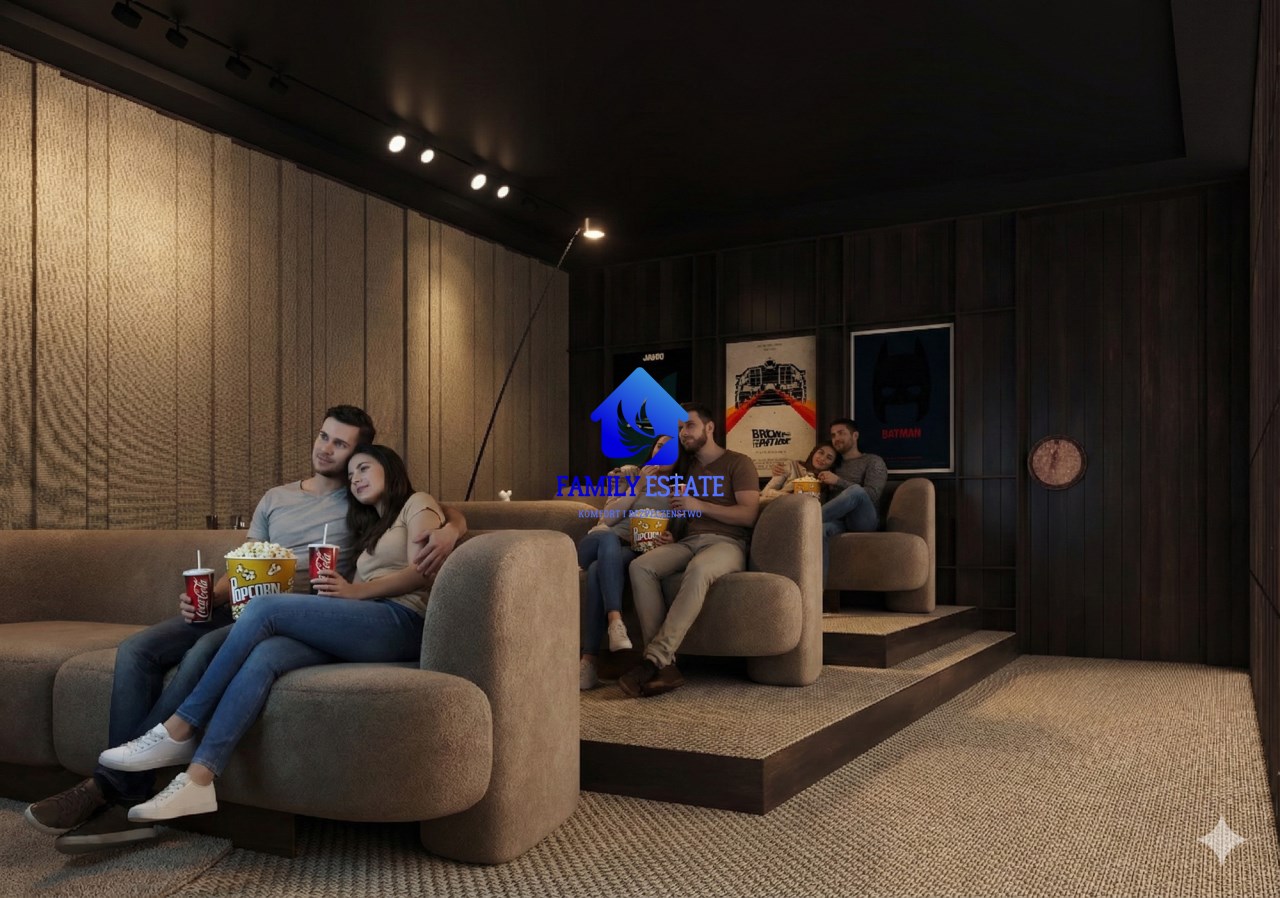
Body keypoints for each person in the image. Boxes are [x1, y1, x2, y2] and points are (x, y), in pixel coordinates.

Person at [26, 409, 464, 853]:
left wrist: (454, 527)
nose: (327, 450)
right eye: (324, 437)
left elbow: (419, 504)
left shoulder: (360, 503)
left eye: (343, 446)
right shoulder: (278, 497)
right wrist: (210, 599)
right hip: (242, 602)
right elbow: (246, 557)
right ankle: (152, 772)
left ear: (364, 453)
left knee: (207, 650)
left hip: (297, 612)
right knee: (138, 649)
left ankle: (114, 786)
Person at [93, 444, 451, 823]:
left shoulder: (418, 503)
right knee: (267, 654)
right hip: (364, 624)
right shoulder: (374, 523)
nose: (355, 479)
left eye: (363, 468)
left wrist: (356, 591)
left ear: (390, 468)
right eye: (351, 476)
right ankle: (199, 780)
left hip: (402, 622)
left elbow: (422, 570)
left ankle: (180, 727)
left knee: (264, 608)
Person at [620, 403, 759, 697]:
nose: (684, 433)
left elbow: (748, 515)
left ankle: (654, 658)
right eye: (680, 428)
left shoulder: (739, 463)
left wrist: (700, 505)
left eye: (690, 426)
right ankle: (667, 667)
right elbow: (666, 485)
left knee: (699, 570)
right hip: (687, 542)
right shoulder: (688, 467)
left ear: (709, 427)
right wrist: (673, 530)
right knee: (640, 566)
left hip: (726, 543)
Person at [578, 435, 672, 691]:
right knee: (608, 540)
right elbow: (608, 519)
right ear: (652, 449)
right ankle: (615, 620)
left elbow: (678, 527)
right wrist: (638, 484)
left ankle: (589, 662)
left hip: (633, 549)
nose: (663, 452)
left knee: (597, 570)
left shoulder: (677, 489)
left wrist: (670, 538)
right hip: (599, 541)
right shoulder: (629, 474)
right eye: (660, 446)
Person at [819, 418, 888, 576]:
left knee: (856, 491)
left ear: (855, 435)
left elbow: (873, 495)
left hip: (864, 520)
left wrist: (838, 481)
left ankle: (807, 520)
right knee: (820, 529)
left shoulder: (873, 461)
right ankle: (818, 589)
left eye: (841, 433)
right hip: (838, 521)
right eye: (833, 435)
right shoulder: (833, 464)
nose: (836, 438)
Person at [760, 443, 838, 501]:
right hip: (778, 509)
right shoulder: (791, 466)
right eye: (821, 452)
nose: (822, 458)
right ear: (813, 453)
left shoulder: (827, 484)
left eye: (829, 458)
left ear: (832, 464)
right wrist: (790, 496)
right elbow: (765, 493)